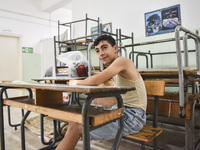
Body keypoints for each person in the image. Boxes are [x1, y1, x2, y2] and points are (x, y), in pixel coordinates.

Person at [56, 35, 147, 150]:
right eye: (98, 50)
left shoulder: (122, 61)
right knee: (74, 122)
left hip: (133, 116)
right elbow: (102, 81)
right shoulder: (116, 67)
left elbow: (95, 81)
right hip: (121, 110)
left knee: (77, 127)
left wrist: (75, 83)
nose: (101, 53)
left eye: (104, 48)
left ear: (115, 48)